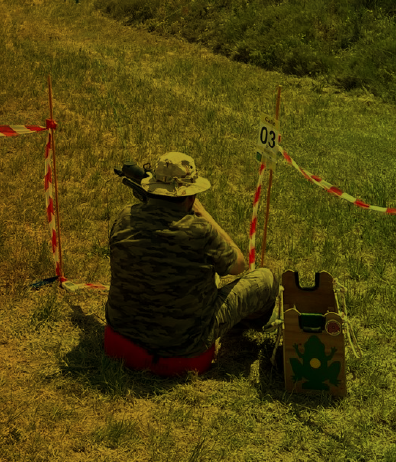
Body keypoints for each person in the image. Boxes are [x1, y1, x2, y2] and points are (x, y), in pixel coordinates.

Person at [105, 151, 278, 361]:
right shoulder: (200, 231)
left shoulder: (124, 217)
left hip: (121, 339)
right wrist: (204, 214)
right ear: (190, 196)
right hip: (184, 351)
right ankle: (244, 327)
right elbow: (238, 265)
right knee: (265, 279)